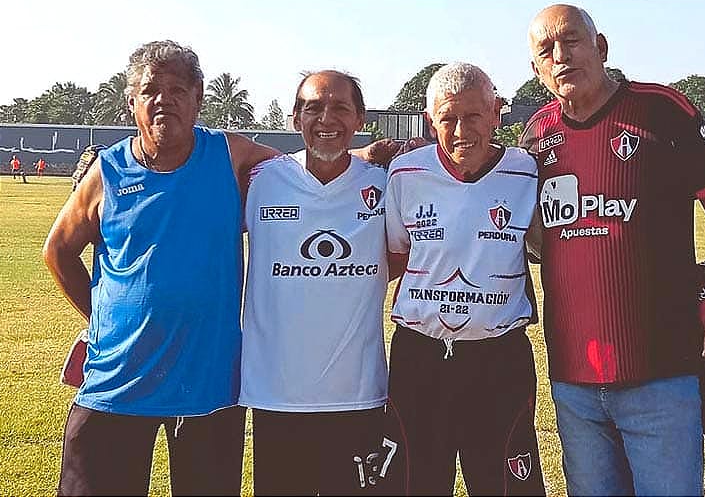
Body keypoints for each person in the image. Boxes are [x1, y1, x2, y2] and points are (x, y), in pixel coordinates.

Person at [520, 5, 705, 496]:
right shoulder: (537, 135)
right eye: (546, 49)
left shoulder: (660, 110)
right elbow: (535, 235)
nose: (561, 56)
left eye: (572, 40)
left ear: (601, 48)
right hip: (573, 376)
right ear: (537, 70)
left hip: (660, 369)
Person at [43, 39, 283, 496]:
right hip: (118, 380)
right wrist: (99, 317)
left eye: (177, 89)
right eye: (151, 89)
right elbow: (58, 250)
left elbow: (305, 175)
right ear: (131, 100)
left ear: (198, 98)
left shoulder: (230, 156)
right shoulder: (107, 172)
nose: (163, 100)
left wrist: (366, 159)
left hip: (207, 383)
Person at [381, 62, 546, 495]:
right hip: (419, 356)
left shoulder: (527, 171)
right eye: (448, 118)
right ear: (430, 118)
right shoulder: (405, 173)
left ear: (496, 113)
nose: (460, 131)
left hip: (499, 357)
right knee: (417, 483)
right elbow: (397, 255)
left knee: (505, 485)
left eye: (473, 116)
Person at [240, 70, 394, 495]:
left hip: (359, 395)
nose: (327, 118)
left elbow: (399, 259)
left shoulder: (384, 185)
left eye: (341, 108)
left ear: (360, 118)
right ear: (295, 118)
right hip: (277, 395)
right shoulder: (260, 180)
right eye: (313, 108)